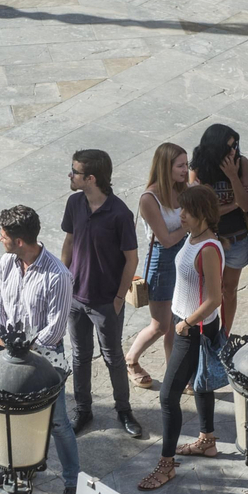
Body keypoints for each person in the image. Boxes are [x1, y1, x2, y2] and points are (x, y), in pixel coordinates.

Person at [0, 204, 80, 494]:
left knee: (57, 423)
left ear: (19, 240)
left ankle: (72, 483)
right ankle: (18, 469)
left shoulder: (58, 275)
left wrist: (22, 355)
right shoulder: (6, 263)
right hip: (11, 357)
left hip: (45, 362)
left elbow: (54, 331)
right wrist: (5, 345)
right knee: (14, 418)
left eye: (2, 235)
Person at [139, 184, 225, 491]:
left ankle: (166, 466)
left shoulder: (209, 249)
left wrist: (186, 322)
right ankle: (208, 441)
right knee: (201, 384)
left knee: (167, 396)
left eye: (186, 211)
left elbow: (215, 297)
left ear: (201, 214)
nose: (181, 215)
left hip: (193, 329)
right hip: (188, 323)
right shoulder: (194, 237)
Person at [61, 148, 143, 439]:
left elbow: (131, 259)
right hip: (75, 298)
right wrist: (63, 283)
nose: (70, 176)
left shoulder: (119, 213)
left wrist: (120, 297)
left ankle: (124, 410)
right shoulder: (74, 203)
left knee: (113, 356)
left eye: (75, 172)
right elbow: (69, 243)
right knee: (80, 356)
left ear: (91, 178)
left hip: (107, 301)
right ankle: (83, 409)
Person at [126, 143, 187, 390]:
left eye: (187, 164)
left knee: (177, 323)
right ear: (166, 167)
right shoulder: (148, 199)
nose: (186, 170)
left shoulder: (183, 189)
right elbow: (167, 239)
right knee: (161, 325)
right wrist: (193, 225)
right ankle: (131, 360)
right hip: (162, 261)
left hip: (184, 257)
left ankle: (173, 374)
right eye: (180, 165)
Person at [188, 124, 248, 333]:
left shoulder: (241, 164)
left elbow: (246, 205)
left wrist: (233, 176)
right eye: (228, 148)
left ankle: (224, 334)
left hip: (236, 238)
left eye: (235, 145)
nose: (233, 151)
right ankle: (204, 329)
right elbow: (202, 211)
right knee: (207, 291)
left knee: (229, 290)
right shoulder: (198, 167)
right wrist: (232, 204)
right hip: (209, 240)